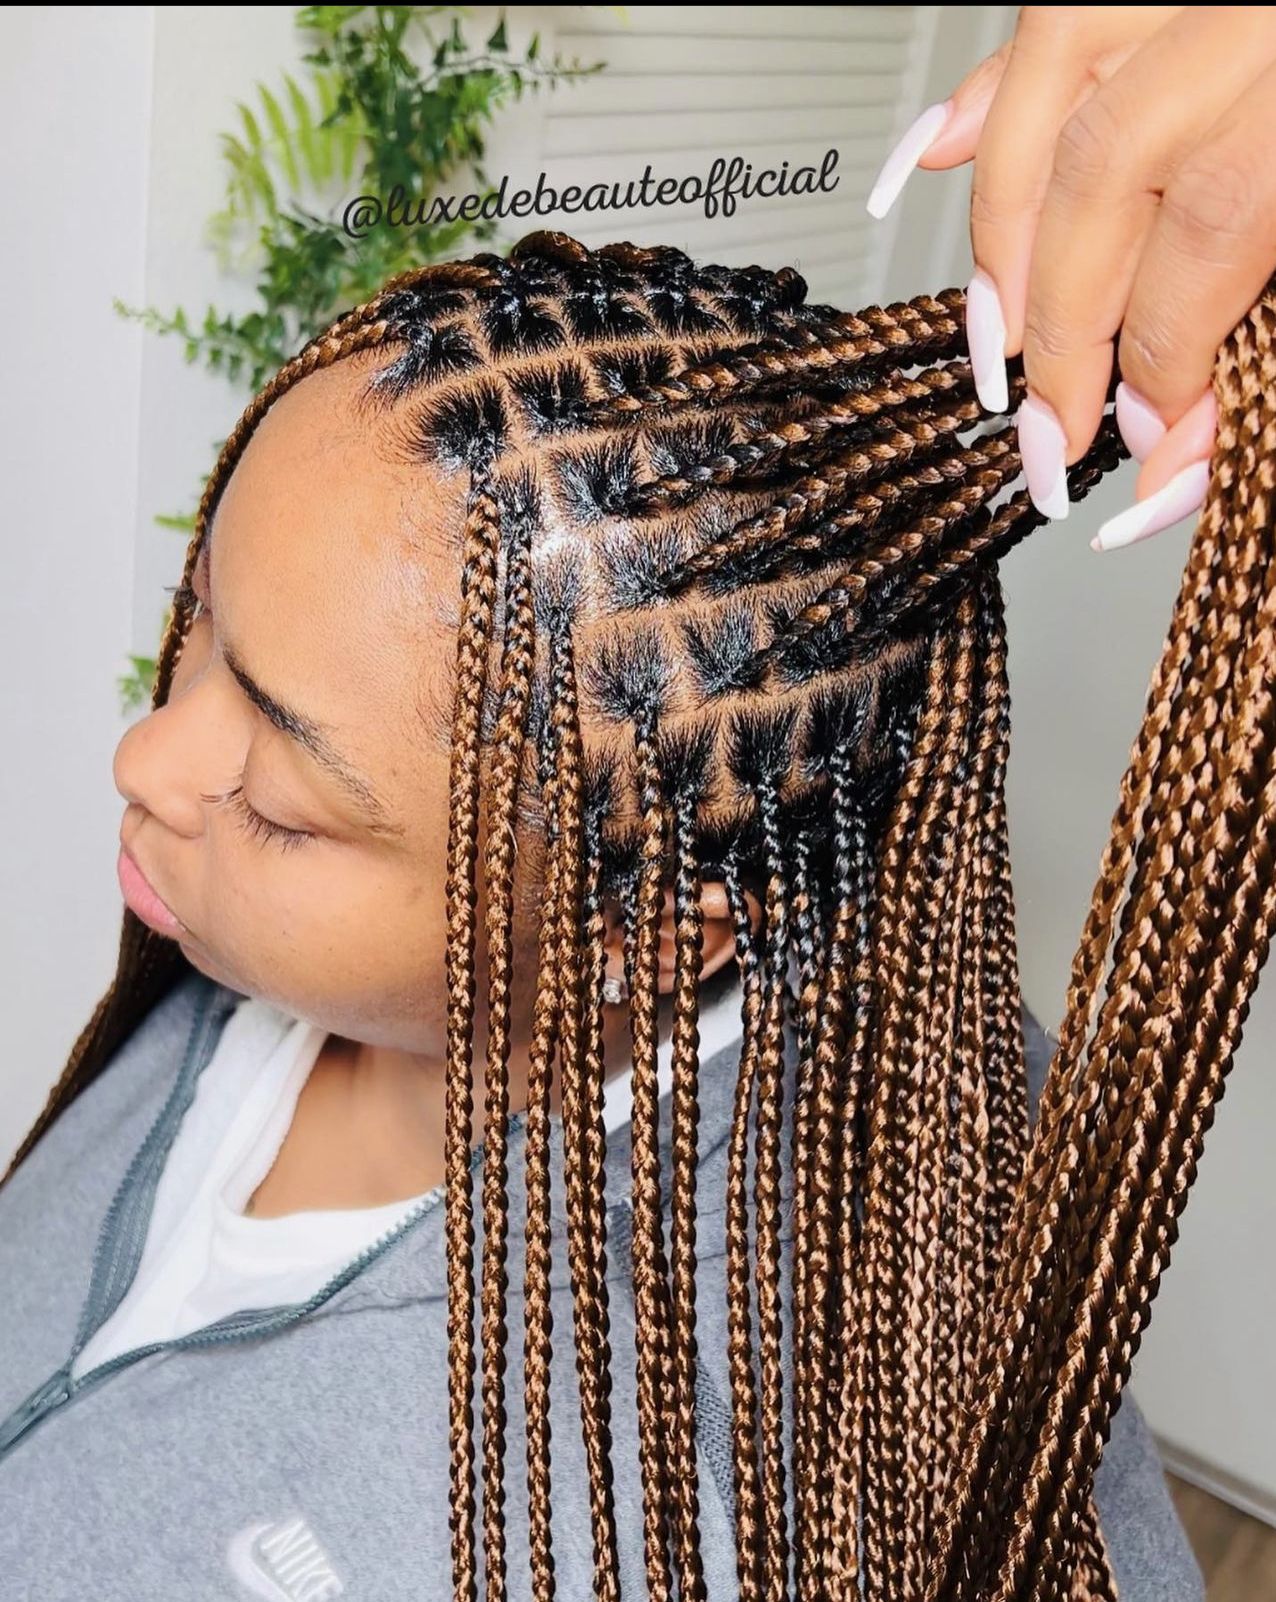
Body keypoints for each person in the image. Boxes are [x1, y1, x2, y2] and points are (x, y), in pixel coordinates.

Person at [0, 230, 1212, 1601]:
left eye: (281, 802)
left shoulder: (718, 1487)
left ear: (648, 935)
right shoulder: (255, 936)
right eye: (201, 614)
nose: (145, 760)